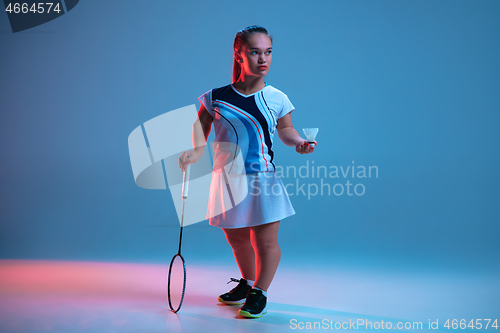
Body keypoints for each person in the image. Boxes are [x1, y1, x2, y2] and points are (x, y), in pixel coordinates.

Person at [178, 25, 316, 318]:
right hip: (226, 180)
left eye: (268, 52)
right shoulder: (215, 97)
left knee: (265, 242)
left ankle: (260, 293)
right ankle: (248, 282)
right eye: (255, 52)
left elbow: (286, 130)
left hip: (262, 180)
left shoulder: (276, 97)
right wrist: (197, 150)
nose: (263, 59)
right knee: (237, 239)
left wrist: (299, 143)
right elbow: (201, 126)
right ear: (239, 54)